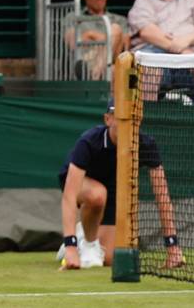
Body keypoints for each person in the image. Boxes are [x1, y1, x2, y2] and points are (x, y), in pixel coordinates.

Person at [56, 99, 184, 271]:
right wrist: (70, 246)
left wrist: (172, 246)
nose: (127, 122)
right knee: (97, 195)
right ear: (107, 119)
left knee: (111, 258)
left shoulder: (146, 145)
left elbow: (162, 196)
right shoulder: (89, 142)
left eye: (132, 117)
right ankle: (80, 243)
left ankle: (83, 237)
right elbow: (69, 196)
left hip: (114, 191)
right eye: (120, 117)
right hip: (81, 184)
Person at [63, 0, 129, 80]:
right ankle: (95, 74)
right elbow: (72, 43)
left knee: (116, 29)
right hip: (84, 63)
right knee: (114, 33)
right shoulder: (73, 17)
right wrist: (110, 40)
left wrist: (90, 36)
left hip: (108, 65)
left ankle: (93, 77)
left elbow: (124, 47)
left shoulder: (119, 20)